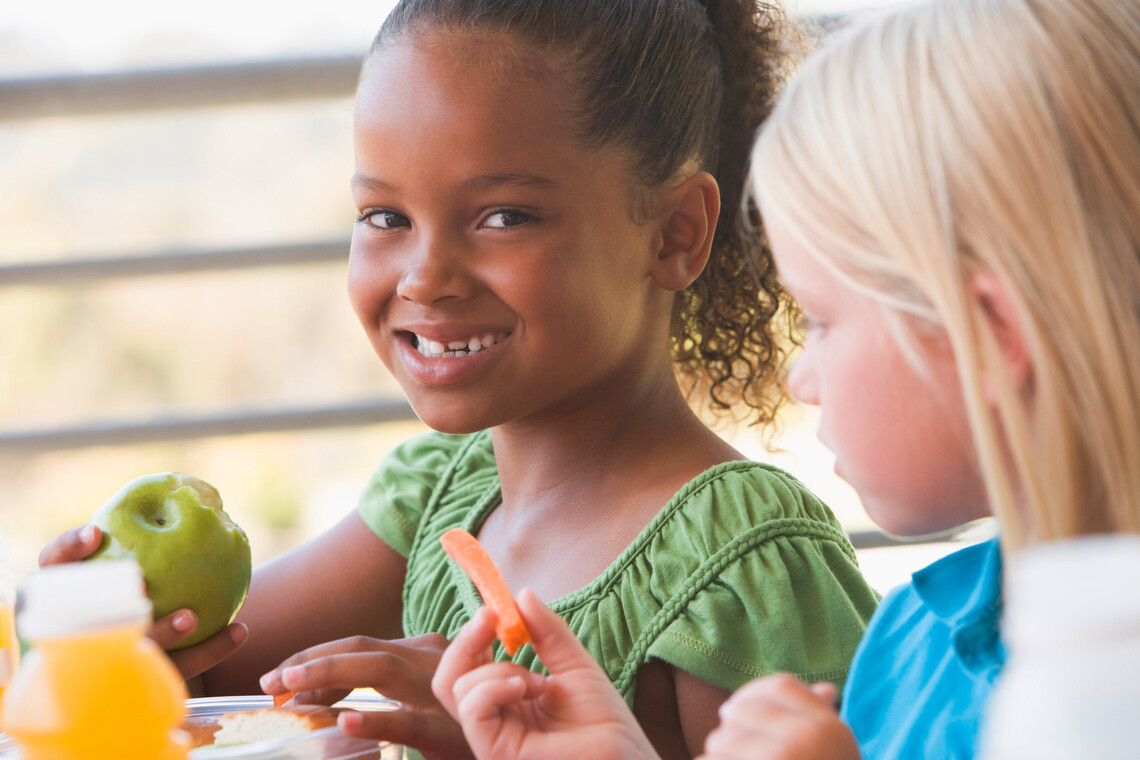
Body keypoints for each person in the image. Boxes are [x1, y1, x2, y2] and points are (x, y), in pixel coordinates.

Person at [39, 1, 881, 758]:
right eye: (385, 217)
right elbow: (206, 681)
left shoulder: (742, 568)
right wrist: (100, 636)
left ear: (675, 234)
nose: (424, 276)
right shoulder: (439, 501)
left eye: (504, 216)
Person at [429, 0, 1140, 758]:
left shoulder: (1098, 690)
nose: (803, 379)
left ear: (991, 340)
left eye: (822, 320)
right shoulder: (910, 643)